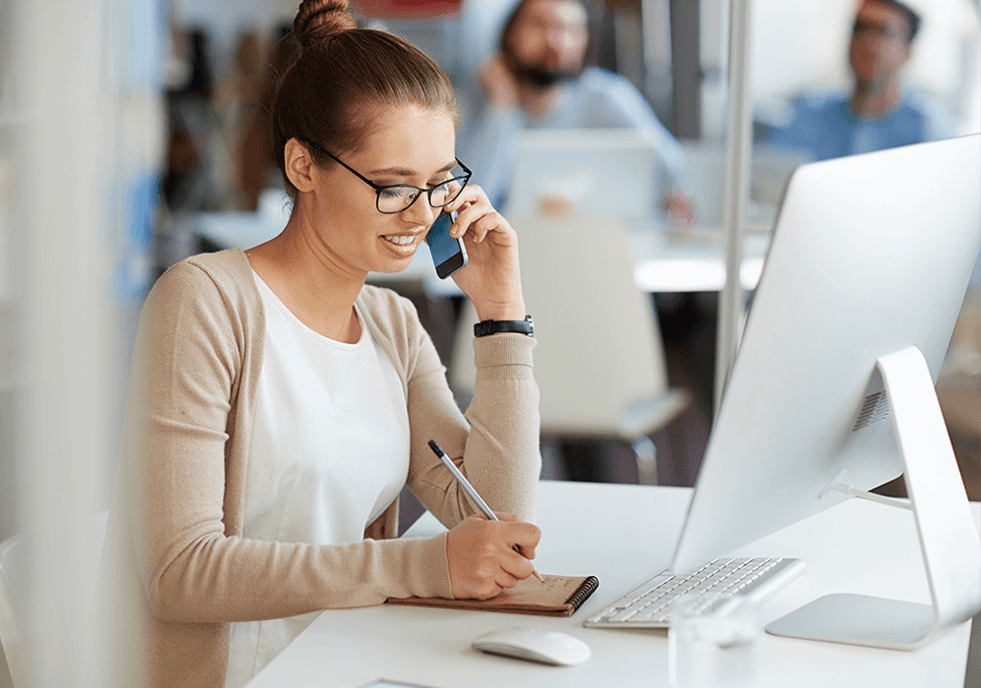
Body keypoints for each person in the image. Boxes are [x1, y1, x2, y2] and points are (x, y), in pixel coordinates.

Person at [102, 1, 543, 686]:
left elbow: (493, 518)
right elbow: (179, 572)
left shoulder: (393, 327)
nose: (424, 215)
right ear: (303, 166)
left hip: (345, 664)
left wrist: (502, 316)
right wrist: (420, 566)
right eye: (394, 187)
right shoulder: (205, 303)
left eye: (438, 185)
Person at [457, 0, 694, 224]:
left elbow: (673, 172)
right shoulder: (473, 103)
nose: (555, 41)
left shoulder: (607, 97)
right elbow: (463, 199)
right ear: (509, 34)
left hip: (598, 240)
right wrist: (500, 110)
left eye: (570, 29)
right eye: (539, 25)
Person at [766, 0, 958, 161]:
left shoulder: (932, 135)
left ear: (907, 52)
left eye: (883, 31)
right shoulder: (809, 116)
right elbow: (769, 180)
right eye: (860, 28)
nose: (868, 41)